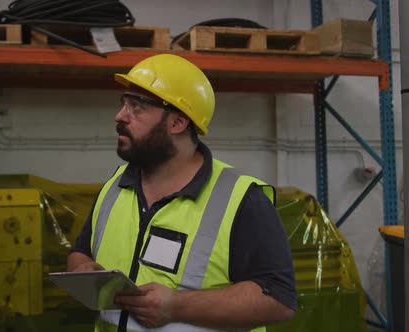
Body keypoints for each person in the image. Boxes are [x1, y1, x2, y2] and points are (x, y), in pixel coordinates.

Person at [67, 54, 296, 332]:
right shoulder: (116, 185)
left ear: (177, 123)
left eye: (137, 107)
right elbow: (81, 251)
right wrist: (83, 271)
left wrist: (178, 305)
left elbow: (277, 299)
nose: (120, 116)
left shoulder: (242, 199)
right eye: (123, 103)